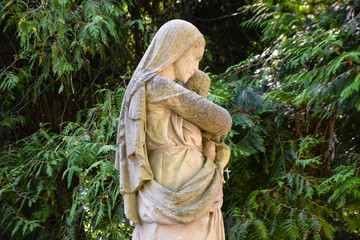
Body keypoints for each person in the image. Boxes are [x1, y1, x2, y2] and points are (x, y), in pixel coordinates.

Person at [115, 19, 232, 240]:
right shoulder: (159, 86)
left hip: (185, 185)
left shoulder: (154, 87)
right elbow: (222, 121)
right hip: (177, 188)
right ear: (177, 49)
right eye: (195, 58)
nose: (196, 68)